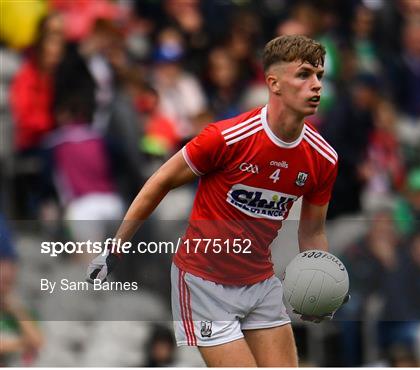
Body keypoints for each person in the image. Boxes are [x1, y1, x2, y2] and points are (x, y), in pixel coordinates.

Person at [86, 35, 340, 367]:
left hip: (260, 280)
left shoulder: (323, 158)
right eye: (304, 74)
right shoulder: (227, 137)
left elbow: (312, 232)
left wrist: (318, 283)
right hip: (203, 282)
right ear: (274, 83)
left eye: (319, 75)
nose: (316, 85)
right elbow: (160, 181)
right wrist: (116, 244)